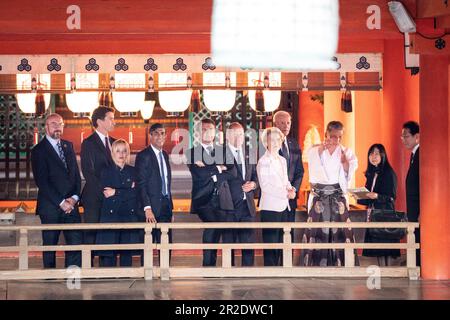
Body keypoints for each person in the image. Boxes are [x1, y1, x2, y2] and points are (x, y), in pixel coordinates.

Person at [301, 121, 358, 266]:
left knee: (341, 232)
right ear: (326, 134)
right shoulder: (315, 149)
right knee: (316, 232)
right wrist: (320, 150)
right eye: (333, 136)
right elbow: (312, 167)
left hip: (337, 198)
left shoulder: (346, 152)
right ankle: (314, 265)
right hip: (319, 196)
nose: (336, 140)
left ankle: (343, 264)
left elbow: (349, 173)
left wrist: (345, 163)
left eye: (339, 137)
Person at [31, 113, 82, 268]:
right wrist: (61, 202)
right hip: (51, 207)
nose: (57, 127)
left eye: (60, 124)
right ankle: (50, 278)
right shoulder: (39, 150)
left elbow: (76, 176)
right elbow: (42, 181)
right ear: (46, 127)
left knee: (75, 243)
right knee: (50, 245)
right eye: (53, 124)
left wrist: (73, 198)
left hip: (71, 206)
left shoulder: (68, 145)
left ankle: (73, 276)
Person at [185, 118, 234, 267]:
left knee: (225, 233)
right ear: (198, 133)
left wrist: (209, 170)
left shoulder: (223, 150)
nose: (207, 132)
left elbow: (232, 173)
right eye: (204, 129)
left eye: (210, 129)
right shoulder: (192, 152)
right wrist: (219, 168)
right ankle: (208, 267)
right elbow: (198, 174)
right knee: (212, 226)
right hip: (204, 200)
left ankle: (227, 268)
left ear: (215, 132)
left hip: (223, 198)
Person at [96, 139, 141, 267]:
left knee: (126, 254)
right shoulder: (105, 171)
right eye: (118, 151)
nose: (121, 154)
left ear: (128, 153)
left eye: (124, 150)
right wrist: (127, 189)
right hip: (111, 216)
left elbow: (136, 193)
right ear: (112, 153)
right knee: (108, 253)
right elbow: (106, 193)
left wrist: (115, 191)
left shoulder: (133, 171)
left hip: (128, 216)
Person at [80, 106, 116, 261]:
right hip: (95, 197)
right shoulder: (88, 143)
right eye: (111, 118)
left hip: (112, 197)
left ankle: (107, 266)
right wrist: (104, 191)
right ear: (100, 121)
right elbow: (88, 172)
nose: (114, 122)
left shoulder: (115, 143)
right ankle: (88, 268)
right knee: (92, 234)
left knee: (108, 234)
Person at [257, 127, 296, 266]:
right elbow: (266, 186)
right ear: (265, 142)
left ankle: (280, 270)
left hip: (284, 206)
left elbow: (285, 180)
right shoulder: (263, 161)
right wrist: (286, 193)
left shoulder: (282, 160)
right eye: (271, 139)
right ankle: (270, 273)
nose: (275, 142)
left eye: (278, 139)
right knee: (271, 244)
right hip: (270, 207)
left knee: (281, 241)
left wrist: (291, 189)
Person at [356, 144, 400, 266]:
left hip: (385, 215)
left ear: (383, 155)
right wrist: (358, 196)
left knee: (386, 247)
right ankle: (382, 272)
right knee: (377, 249)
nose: (373, 156)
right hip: (373, 215)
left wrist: (377, 196)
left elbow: (391, 197)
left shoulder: (389, 173)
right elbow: (368, 196)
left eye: (376, 153)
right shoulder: (371, 174)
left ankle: (390, 273)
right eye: (371, 153)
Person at [223, 122, 258, 266]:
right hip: (229, 206)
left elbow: (256, 175)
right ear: (228, 136)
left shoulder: (250, 153)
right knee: (229, 243)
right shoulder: (220, 153)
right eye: (235, 134)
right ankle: (228, 273)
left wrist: (254, 184)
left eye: (241, 134)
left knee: (248, 244)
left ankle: (248, 272)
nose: (239, 138)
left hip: (247, 206)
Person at [135, 123, 173, 247]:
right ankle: (146, 267)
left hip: (165, 206)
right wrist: (147, 208)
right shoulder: (143, 155)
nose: (160, 136)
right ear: (150, 135)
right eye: (156, 133)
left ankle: (165, 267)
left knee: (166, 245)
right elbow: (141, 184)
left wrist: (170, 208)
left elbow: (166, 182)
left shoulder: (165, 155)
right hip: (150, 208)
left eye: (162, 133)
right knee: (148, 246)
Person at [273, 111, 304, 228]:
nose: (286, 126)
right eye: (282, 123)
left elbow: (299, 171)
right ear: (275, 125)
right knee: (274, 236)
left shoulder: (294, 144)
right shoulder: (266, 144)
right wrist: (281, 190)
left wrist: (293, 189)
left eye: (288, 123)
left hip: (290, 197)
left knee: (288, 233)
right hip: (274, 197)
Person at [401, 120, 420, 266]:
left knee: (420, 238)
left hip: (419, 208)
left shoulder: (421, 154)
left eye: (406, 136)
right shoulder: (414, 154)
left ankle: (419, 264)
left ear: (417, 137)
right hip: (413, 208)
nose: (403, 139)